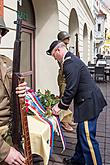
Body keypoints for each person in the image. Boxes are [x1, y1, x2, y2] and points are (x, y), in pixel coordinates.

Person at [46, 40, 107, 165]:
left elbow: (71, 88)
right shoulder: (71, 59)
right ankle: (77, 161)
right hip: (88, 101)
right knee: (82, 134)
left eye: (54, 55)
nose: (54, 59)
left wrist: (60, 106)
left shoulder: (69, 62)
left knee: (88, 140)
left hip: (88, 104)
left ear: (58, 50)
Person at [0, 17, 26, 165]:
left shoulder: (7, 62)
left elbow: (14, 90)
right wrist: (4, 151)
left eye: (0, 33)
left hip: (12, 132)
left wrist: (21, 90)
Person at [57, 31, 75, 132]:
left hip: (67, 76)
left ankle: (68, 118)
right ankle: (65, 122)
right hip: (63, 77)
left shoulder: (65, 48)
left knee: (68, 98)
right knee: (64, 98)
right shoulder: (59, 49)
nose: (68, 40)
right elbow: (63, 64)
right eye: (66, 38)